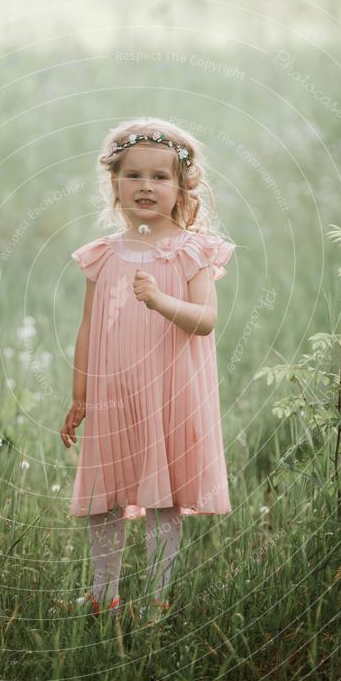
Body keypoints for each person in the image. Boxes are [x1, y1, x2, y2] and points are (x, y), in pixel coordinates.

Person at [60, 117, 236, 623]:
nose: (145, 186)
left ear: (181, 186)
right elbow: (89, 328)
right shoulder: (104, 254)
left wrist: (160, 300)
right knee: (105, 497)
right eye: (133, 175)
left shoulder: (192, 251)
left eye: (160, 177)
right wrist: (80, 396)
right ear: (114, 182)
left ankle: (156, 598)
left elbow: (205, 321)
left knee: (163, 499)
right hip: (115, 393)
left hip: (170, 392)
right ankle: (103, 594)